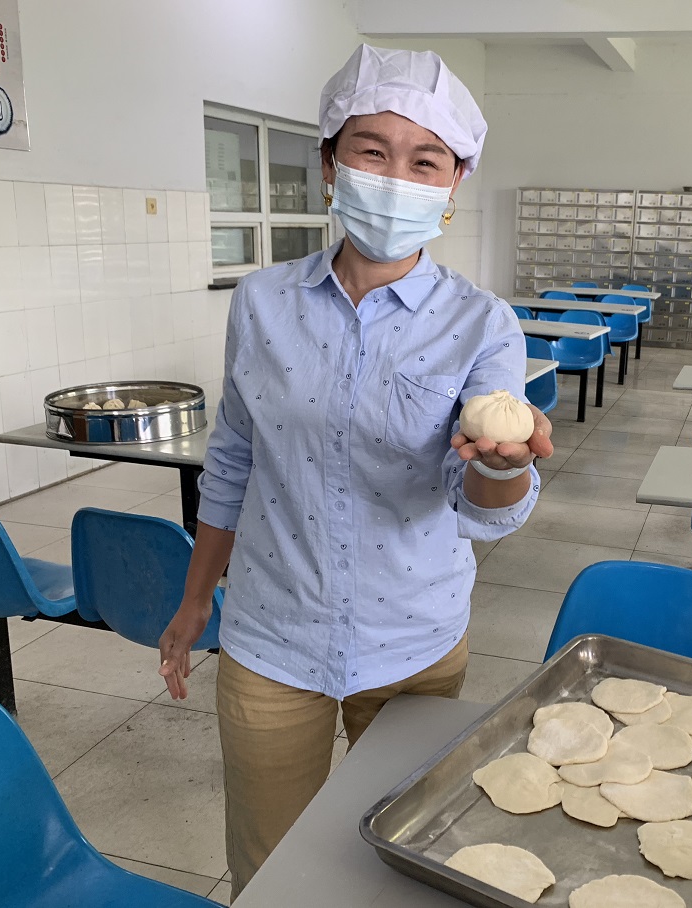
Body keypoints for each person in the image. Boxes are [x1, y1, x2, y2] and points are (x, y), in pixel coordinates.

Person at [157, 44, 552, 898]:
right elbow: (232, 458)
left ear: (455, 183)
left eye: (425, 161)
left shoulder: (482, 324)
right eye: (372, 151)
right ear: (331, 164)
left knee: (403, 870)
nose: (396, 177)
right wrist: (194, 600)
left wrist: (506, 463)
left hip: (415, 641)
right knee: (270, 871)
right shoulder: (262, 303)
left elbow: (485, 505)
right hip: (271, 635)